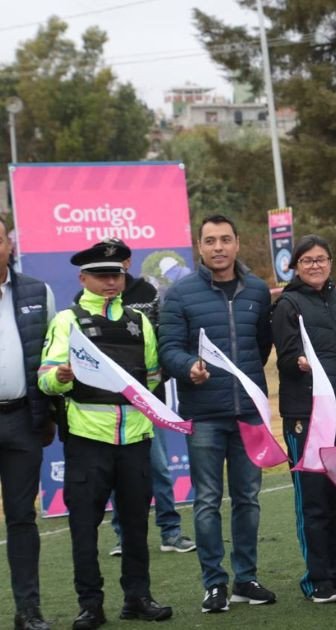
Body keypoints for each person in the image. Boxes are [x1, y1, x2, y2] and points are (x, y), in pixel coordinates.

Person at [39, 239, 172, 629]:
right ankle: (90, 605)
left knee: (135, 525)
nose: (110, 281)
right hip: (87, 441)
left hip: (134, 440)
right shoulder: (67, 320)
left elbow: (151, 378)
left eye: (115, 274)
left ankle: (138, 597)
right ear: (83, 278)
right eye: (101, 275)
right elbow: (45, 379)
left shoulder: (140, 321)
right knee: (84, 528)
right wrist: (60, 377)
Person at [158, 215, 276, 611]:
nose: (219, 247)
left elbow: (262, 347)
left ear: (238, 243)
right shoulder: (178, 294)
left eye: (226, 239)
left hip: (248, 414)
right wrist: (188, 366)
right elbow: (168, 349)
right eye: (211, 241)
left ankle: (246, 579)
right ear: (199, 246)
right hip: (204, 414)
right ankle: (214, 584)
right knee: (207, 500)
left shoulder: (258, 290)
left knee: (248, 498)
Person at [272, 235, 336, 603]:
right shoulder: (287, 304)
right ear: (296, 266)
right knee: (314, 503)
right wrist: (298, 362)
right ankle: (318, 579)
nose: (315, 265)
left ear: (331, 262)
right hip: (307, 415)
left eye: (322, 259)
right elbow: (285, 357)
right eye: (307, 260)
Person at [79, 247, 195, 557]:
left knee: (158, 468)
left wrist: (152, 384)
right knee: (118, 475)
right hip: (107, 409)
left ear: (128, 263)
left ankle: (170, 532)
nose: (111, 276)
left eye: (117, 264)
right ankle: (122, 536)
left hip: (147, 402)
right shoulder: (82, 307)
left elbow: (159, 341)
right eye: (104, 269)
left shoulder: (147, 291)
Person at [0, 219, 55, 630]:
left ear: (8, 244)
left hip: (21, 419)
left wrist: (48, 414)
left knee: (22, 518)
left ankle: (28, 611)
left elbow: (50, 358)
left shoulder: (38, 292)